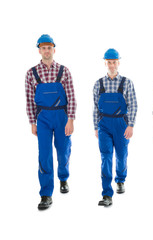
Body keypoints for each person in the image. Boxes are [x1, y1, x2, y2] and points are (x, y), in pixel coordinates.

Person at [25, 34, 76, 210]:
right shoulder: (31, 73)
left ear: (54, 49)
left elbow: (71, 98)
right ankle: (46, 193)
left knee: (63, 151)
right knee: (44, 155)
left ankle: (63, 178)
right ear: (39, 50)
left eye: (49, 48)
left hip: (62, 117)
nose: (47, 51)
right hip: (43, 119)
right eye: (43, 48)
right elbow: (30, 100)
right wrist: (33, 122)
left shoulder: (64, 71)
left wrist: (71, 119)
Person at [93, 48, 137, 207]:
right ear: (105, 63)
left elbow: (133, 105)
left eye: (114, 62)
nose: (112, 65)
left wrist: (130, 125)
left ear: (119, 62)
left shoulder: (126, 83)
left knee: (121, 155)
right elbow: (95, 108)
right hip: (104, 124)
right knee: (105, 157)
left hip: (121, 124)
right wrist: (96, 126)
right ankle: (106, 194)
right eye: (109, 62)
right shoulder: (99, 84)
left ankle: (120, 179)